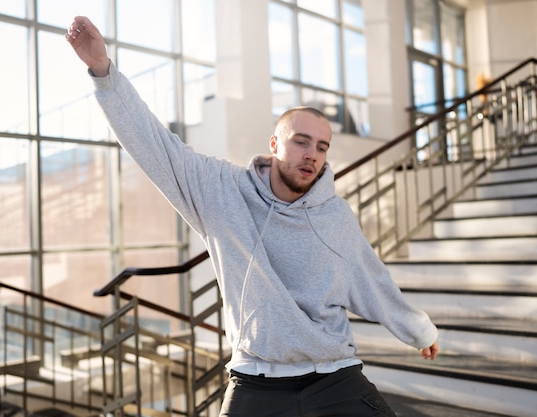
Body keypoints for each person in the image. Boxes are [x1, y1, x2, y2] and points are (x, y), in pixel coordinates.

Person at [66, 16, 439, 417]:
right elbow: (157, 148)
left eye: (321, 146)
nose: (312, 154)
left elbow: (371, 278)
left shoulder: (334, 216)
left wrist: (418, 330)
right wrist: (105, 74)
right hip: (255, 379)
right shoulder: (221, 190)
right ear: (275, 144)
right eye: (301, 142)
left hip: (334, 375)